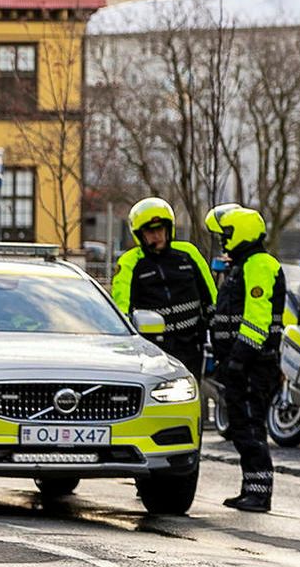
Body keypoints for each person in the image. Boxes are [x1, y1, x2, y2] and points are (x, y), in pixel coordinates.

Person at [207, 206, 286, 512]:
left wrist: (240, 358)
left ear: (242, 233)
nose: (224, 240)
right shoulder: (242, 266)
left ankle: (259, 492)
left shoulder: (259, 265)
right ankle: (250, 488)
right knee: (242, 427)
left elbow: (257, 318)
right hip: (240, 363)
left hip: (254, 364)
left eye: (226, 234)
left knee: (251, 427)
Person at [110, 197, 216, 372]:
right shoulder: (130, 262)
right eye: (150, 231)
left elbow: (211, 297)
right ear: (139, 234)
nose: (157, 235)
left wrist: (215, 339)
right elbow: (122, 305)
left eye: (160, 229)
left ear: (169, 228)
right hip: (152, 350)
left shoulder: (188, 253)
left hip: (192, 345)